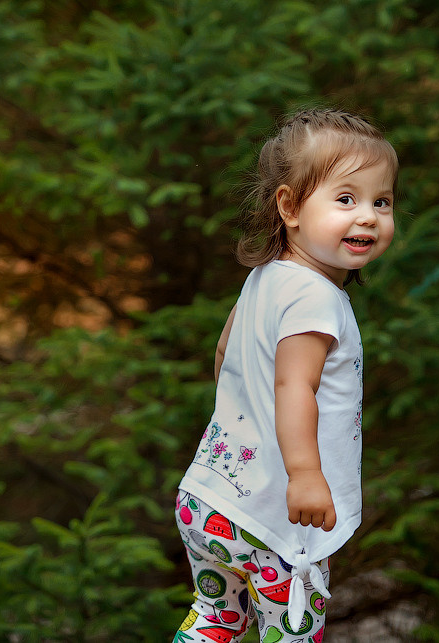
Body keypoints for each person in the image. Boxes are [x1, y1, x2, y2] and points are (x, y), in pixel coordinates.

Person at [174, 108, 398, 643]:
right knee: (292, 634)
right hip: (274, 520)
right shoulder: (316, 297)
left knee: (217, 619)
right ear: (290, 206)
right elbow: (295, 386)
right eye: (345, 199)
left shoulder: (265, 278)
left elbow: (225, 352)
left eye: (381, 201)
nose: (367, 215)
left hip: (211, 501)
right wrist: (304, 474)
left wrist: (238, 415)